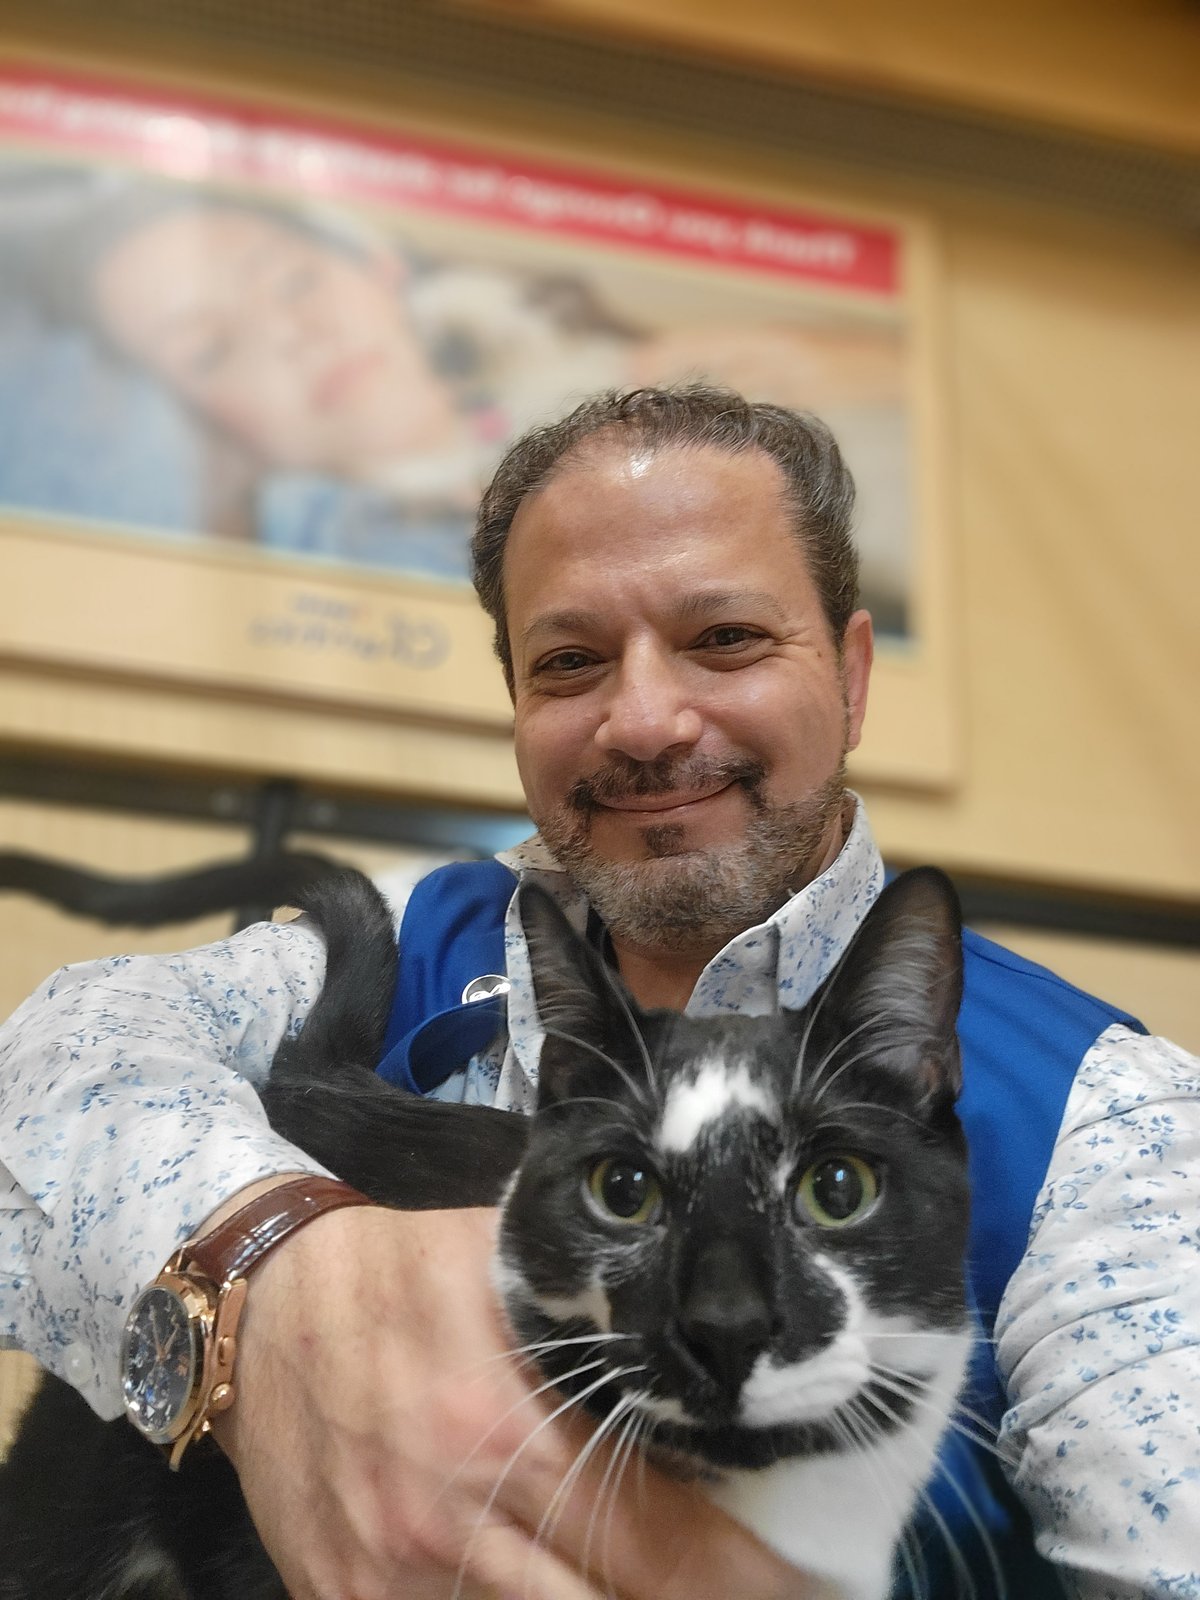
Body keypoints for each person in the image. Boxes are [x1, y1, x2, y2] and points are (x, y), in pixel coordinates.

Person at [2, 384, 1195, 1599]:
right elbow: (46, 1072)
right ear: (515, 702)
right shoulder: (429, 932)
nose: (644, 719)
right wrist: (273, 1272)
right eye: (570, 661)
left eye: (724, 638)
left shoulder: (1110, 1129)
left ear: (849, 672)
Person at [6, 169, 911, 623]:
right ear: (220, 433)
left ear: (377, 264)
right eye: (212, 349)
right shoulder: (350, 570)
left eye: (290, 284)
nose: (293, 335)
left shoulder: (654, 364)